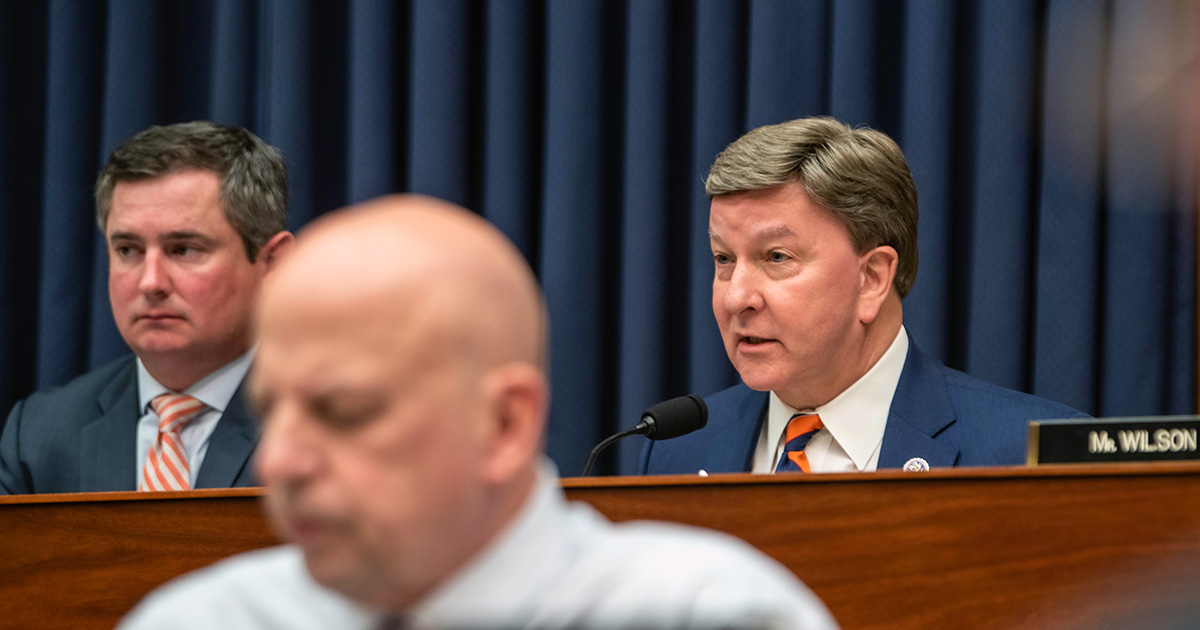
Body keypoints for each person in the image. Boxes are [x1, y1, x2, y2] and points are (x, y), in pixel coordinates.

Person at [119, 195, 840, 630]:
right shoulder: (200, 620)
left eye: (342, 411)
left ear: (503, 426)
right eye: (274, 411)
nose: (280, 462)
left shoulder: (708, 614)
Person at [641, 116, 1088, 476]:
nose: (737, 297)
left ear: (872, 278)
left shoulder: (1024, 453)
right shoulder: (676, 450)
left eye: (777, 257)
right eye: (723, 259)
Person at [0, 121, 293, 494]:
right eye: (128, 250)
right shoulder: (39, 434)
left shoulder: (337, 422)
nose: (150, 282)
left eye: (184, 249)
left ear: (272, 264)